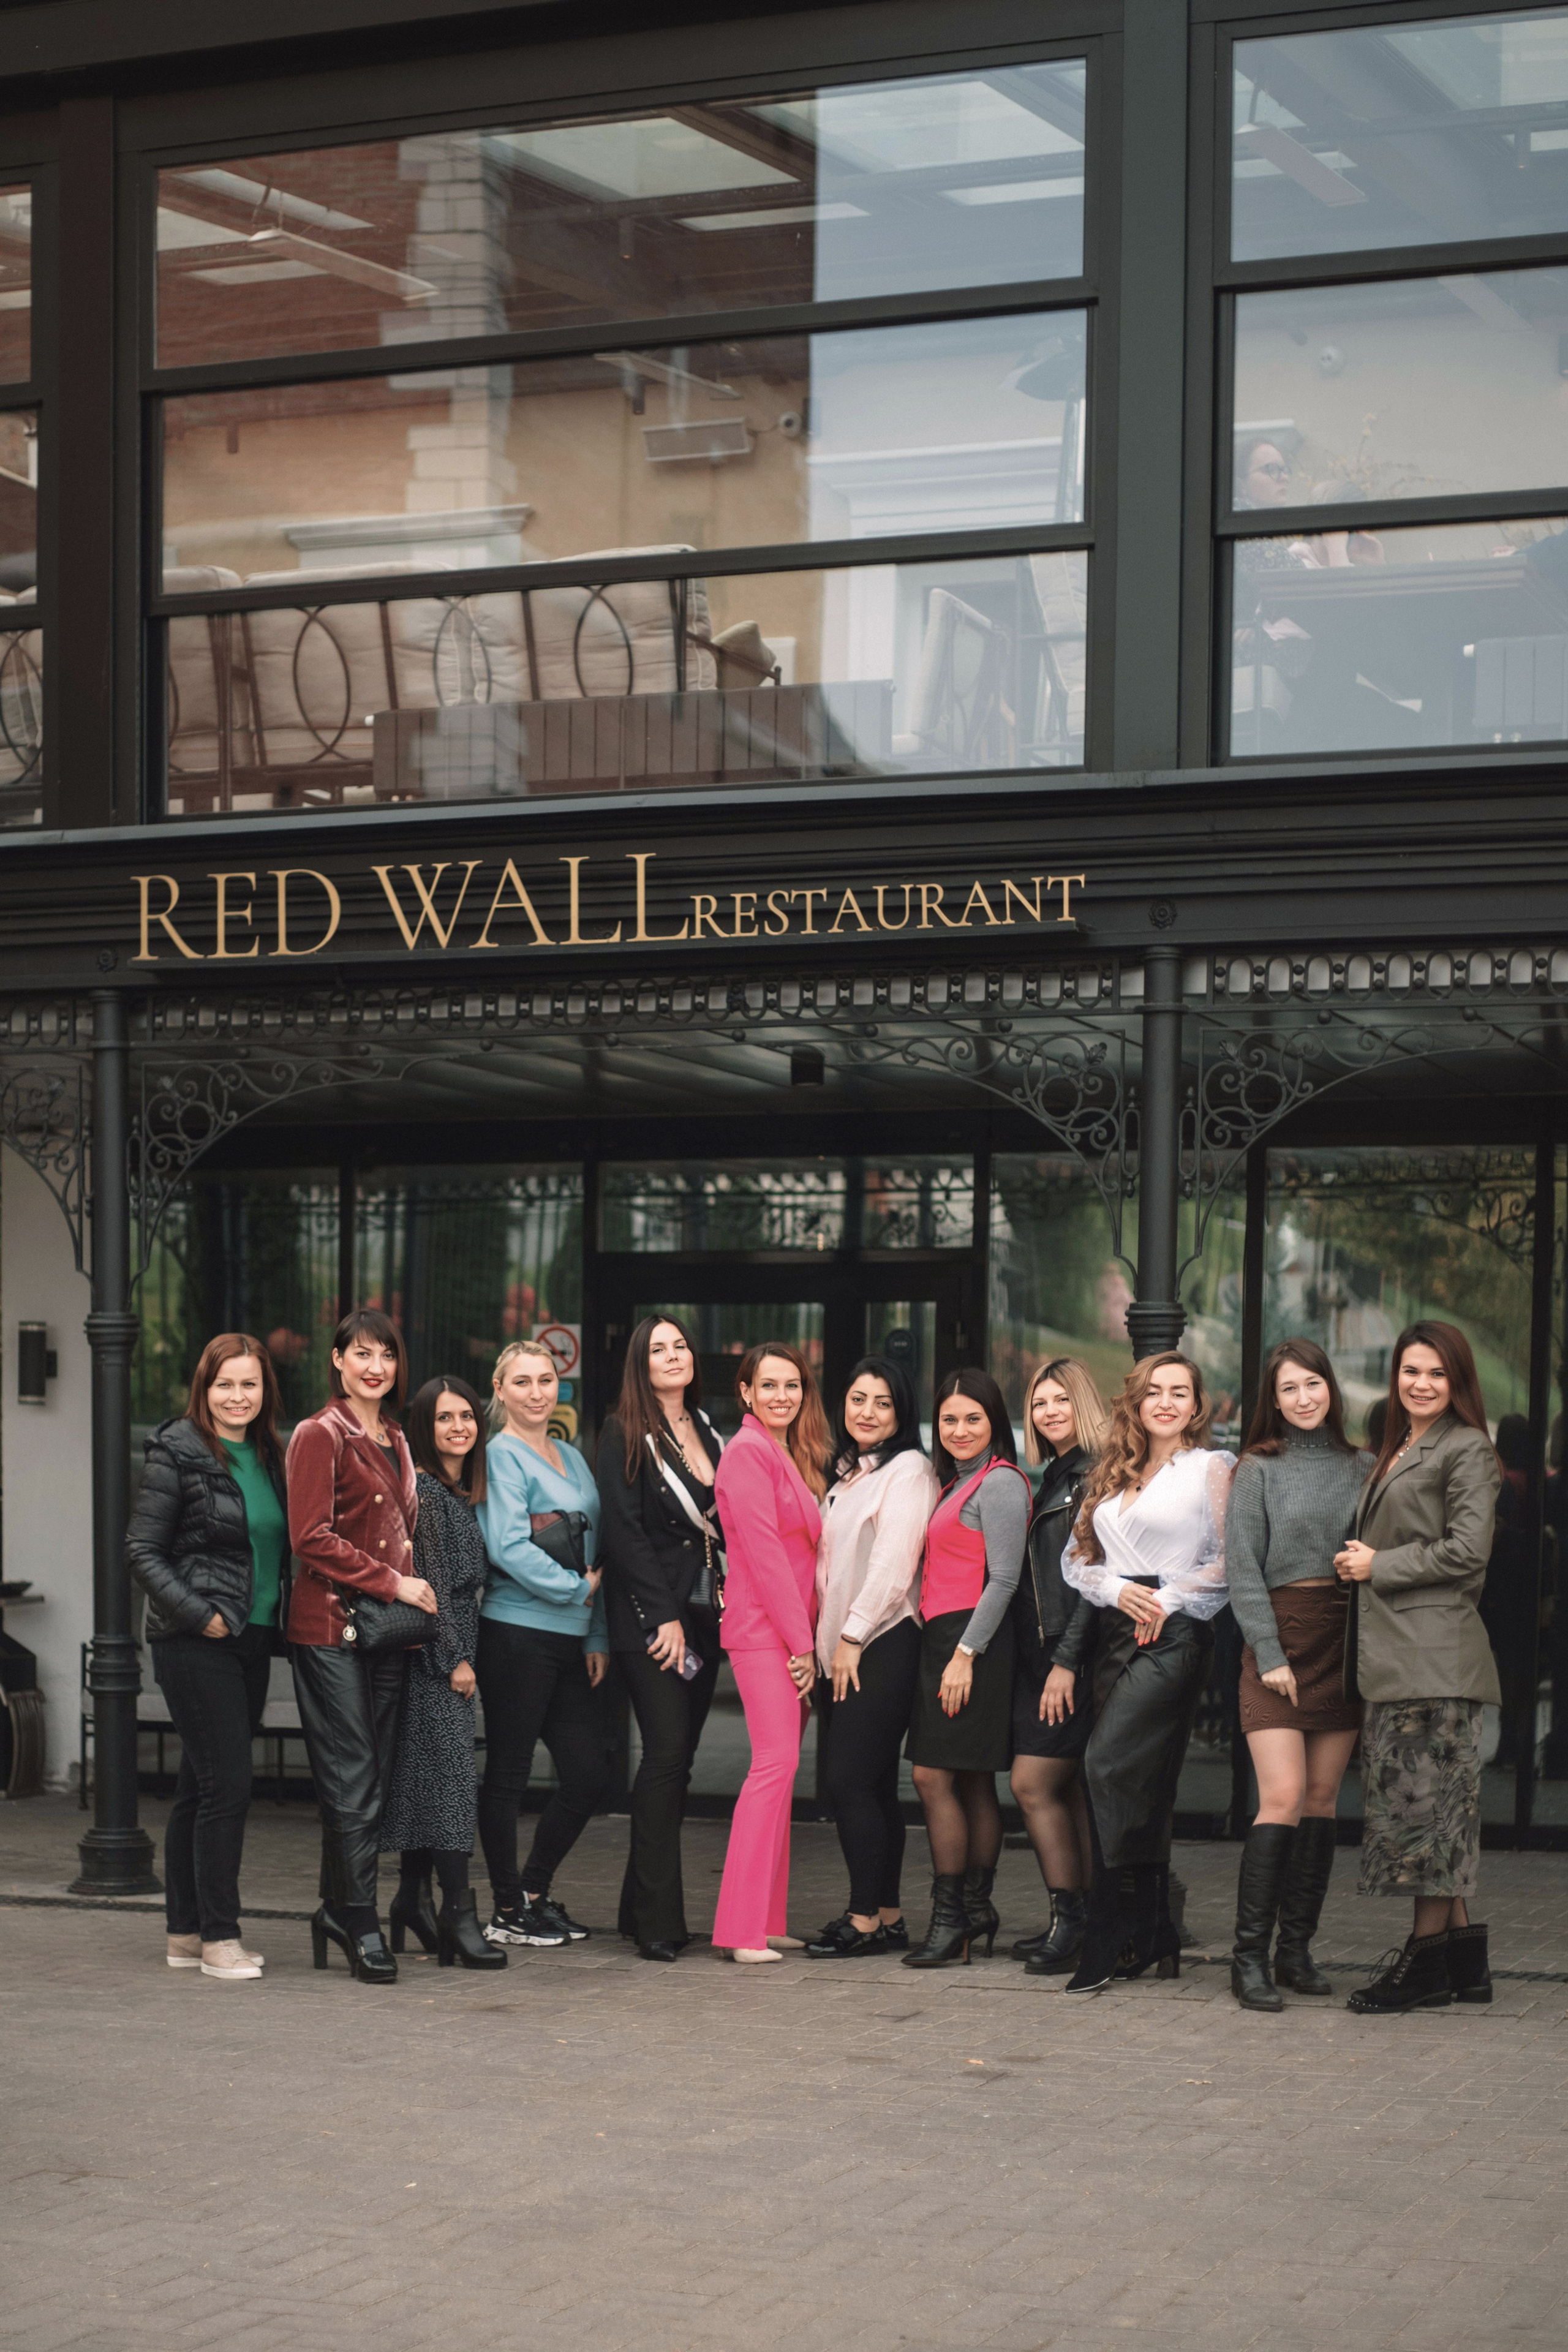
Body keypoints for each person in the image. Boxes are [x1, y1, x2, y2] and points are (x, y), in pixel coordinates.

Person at [1335, 1321, 1502, 2014]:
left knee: (1427, 1827)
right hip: (1401, 1658)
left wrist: (1379, 1565)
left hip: (1434, 1661)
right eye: (1411, 1371)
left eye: (1436, 1373)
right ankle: (1465, 1968)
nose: (1422, 1384)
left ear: (1457, 1381)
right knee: (1437, 1820)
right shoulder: (1401, 1442)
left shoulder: (1467, 1449)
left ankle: (1422, 1968)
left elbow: (1468, 1550)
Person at [1061, 1351, 1233, 1995]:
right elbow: (1077, 1560)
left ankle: (1106, 1928)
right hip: (1116, 1632)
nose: (1166, 1402)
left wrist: (1163, 1597)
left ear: (1196, 1405)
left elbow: (1228, 1560)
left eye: (1179, 1392)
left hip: (1173, 1632)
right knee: (1141, 1784)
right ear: (1135, 1401)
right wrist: (1115, 1589)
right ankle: (1155, 1927)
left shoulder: (1212, 1467)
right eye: (1154, 1391)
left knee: (1103, 1764)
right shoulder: (1112, 1470)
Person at [127, 1333, 290, 1982]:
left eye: (249, 1384)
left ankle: (185, 1933)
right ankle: (222, 1938)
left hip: (253, 1638)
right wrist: (200, 1613)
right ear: (205, 1387)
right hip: (196, 1640)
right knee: (229, 1787)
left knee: (199, 1788)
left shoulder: (272, 1453)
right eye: (225, 1384)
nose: (237, 1396)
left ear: (265, 1390)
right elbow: (141, 1550)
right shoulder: (178, 1450)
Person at [287, 1308, 435, 1986]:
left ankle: (334, 1907)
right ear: (338, 1361)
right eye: (362, 1354)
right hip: (332, 1628)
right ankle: (360, 1920)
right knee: (353, 1781)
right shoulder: (320, 1433)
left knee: (367, 1782)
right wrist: (394, 1583)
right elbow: (310, 1537)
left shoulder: (397, 1436)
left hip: (383, 1633)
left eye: (387, 1355)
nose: (376, 1367)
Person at [1224, 1340, 1368, 2011]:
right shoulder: (1257, 1468)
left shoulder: (1364, 1466)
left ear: (1330, 1389)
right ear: (1274, 1401)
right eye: (1289, 1388)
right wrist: (1269, 1651)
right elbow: (1242, 1567)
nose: (1303, 1398)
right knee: (1280, 1797)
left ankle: (1295, 1951)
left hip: (1341, 1640)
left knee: (1321, 1798)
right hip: (1277, 1640)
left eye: (1313, 1384)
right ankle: (1247, 1958)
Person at [597, 1314, 726, 1962]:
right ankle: (657, 1923)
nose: (673, 1356)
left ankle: (636, 1908)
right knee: (666, 1755)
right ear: (640, 1364)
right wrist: (661, 1615)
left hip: (704, 1617)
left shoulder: (705, 1427)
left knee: (680, 1761)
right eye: (658, 1349)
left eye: (680, 1345)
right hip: (653, 1624)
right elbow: (623, 1533)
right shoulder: (623, 1430)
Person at [475, 1338, 609, 1949]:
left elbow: (594, 1550)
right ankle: (506, 1908)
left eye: (546, 1380)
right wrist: (574, 1590)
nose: (536, 1393)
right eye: (523, 1382)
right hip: (516, 1634)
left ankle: (532, 1891)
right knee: (508, 1775)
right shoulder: (499, 1455)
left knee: (588, 1775)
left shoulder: (572, 1456)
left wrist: (595, 1629)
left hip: (571, 1639)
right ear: (500, 1391)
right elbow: (507, 1545)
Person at [804, 1355, 938, 1959]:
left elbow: (892, 1565)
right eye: (859, 1399)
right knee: (875, 1786)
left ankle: (861, 1920)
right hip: (843, 1648)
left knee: (848, 1781)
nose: (867, 1412)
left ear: (901, 1413)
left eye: (883, 1403)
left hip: (880, 1642)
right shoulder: (848, 1474)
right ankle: (887, 1916)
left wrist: (852, 1637)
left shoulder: (908, 1471)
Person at [902, 1368, 1029, 1970]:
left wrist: (964, 1655)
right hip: (946, 1638)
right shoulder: (957, 1481)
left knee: (932, 1777)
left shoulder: (1000, 1482)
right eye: (949, 1419)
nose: (959, 1429)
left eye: (973, 1418)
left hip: (971, 1641)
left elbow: (1003, 1579)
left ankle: (953, 1914)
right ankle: (974, 1910)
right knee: (971, 1779)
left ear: (994, 1422)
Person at [380, 1376, 504, 1971]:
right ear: (423, 1429)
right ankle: (458, 1910)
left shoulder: (454, 1492)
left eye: (467, 1416)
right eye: (444, 1418)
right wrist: (454, 1659)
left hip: (444, 1652)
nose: (459, 1427)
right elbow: (426, 1585)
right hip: (435, 1657)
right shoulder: (427, 1494)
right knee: (453, 1784)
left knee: (428, 1782)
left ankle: (411, 1898)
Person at [710, 1341, 826, 1963]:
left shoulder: (783, 1451)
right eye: (770, 1385)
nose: (782, 1396)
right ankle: (739, 1929)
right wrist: (802, 1645)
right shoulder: (747, 1452)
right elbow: (764, 1555)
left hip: (788, 1631)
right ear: (746, 1392)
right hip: (765, 1632)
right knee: (772, 1769)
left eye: (793, 1385)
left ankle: (766, 1920)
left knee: (781, 1776)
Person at [1011, 1357, 1108, 1979]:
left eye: (1061, 1400)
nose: (1049, 1412)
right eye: (1039, 1403)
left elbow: (1095, 1580)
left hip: (1071, 1655)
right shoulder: (1054, 1476)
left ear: (1083, 1404)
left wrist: (1068, 1661)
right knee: (1067, 1788)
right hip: (1044, 1655)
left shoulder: (1094, 1475)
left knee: (1032, 1783)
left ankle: (1073, 1921)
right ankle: (1082, 1921)